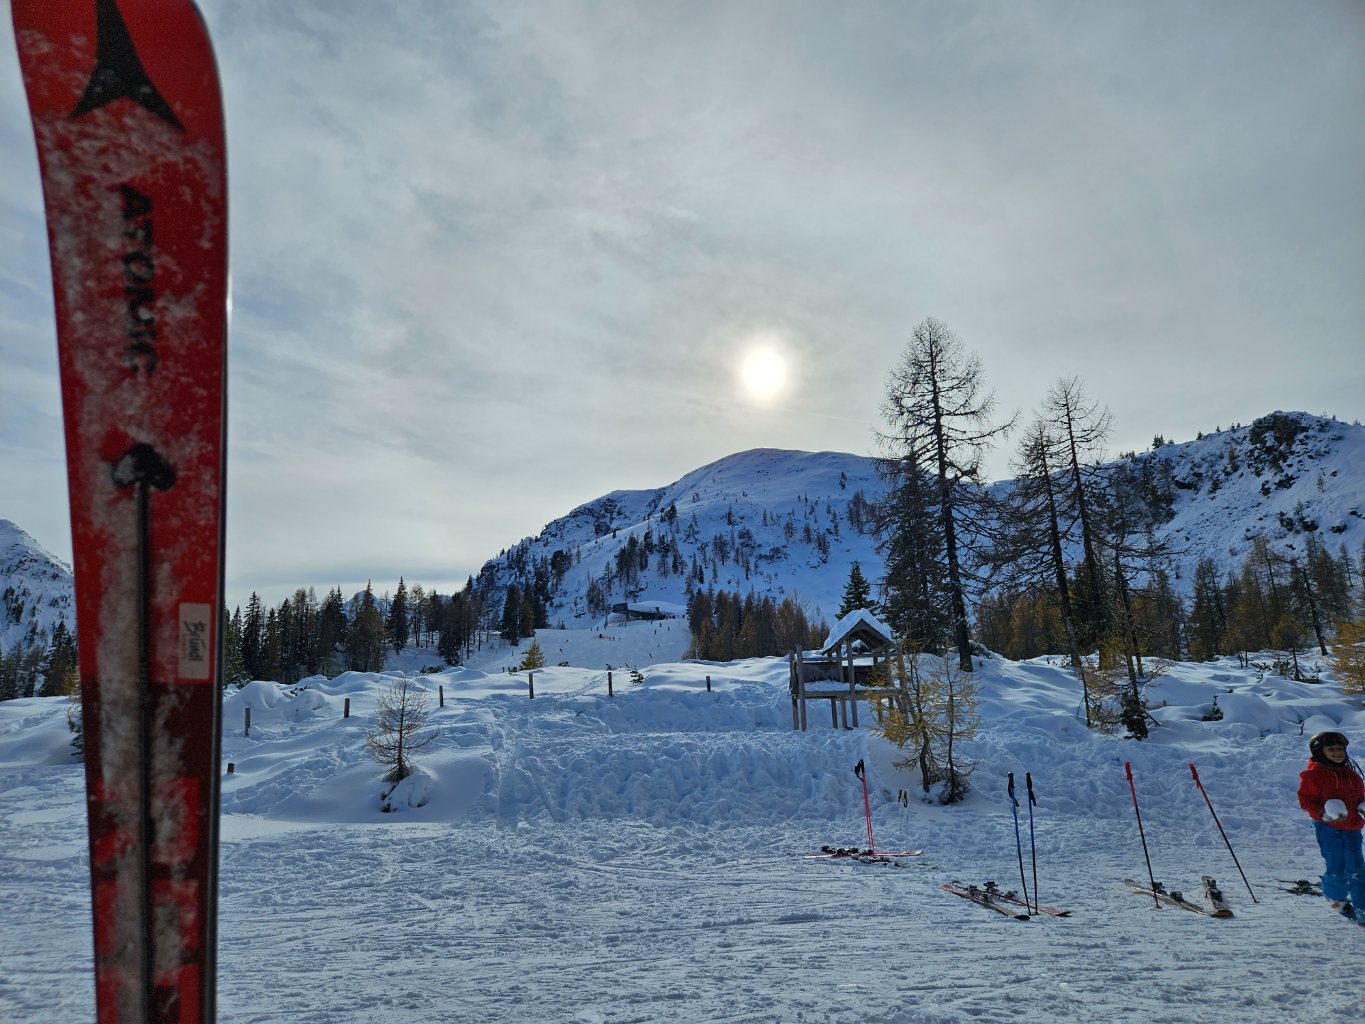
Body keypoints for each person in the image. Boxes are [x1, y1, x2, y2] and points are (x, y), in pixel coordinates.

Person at [1297, 731, 1365, 924]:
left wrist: (1362, 807)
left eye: (1340, 749)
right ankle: (1336, 898)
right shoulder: (1313, 776)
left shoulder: (1352, 776)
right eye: (1331, 749)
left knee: (1358, 869)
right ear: (1320, 752)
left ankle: (1363, 908)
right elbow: (1306, 800)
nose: (1337, 753)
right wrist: (1322, 814)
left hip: (1352, 826)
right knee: (1337, 868)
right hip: (1327, 828)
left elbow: (1360, 798)